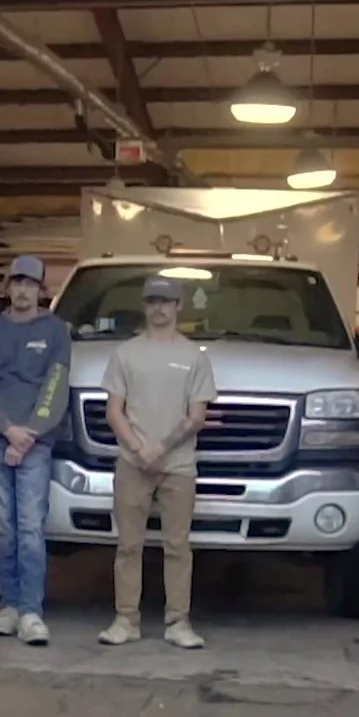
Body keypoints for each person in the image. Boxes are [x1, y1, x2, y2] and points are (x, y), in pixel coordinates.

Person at [97, 275, 215, 650]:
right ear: (144, 305)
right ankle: (125, 620)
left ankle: (178, 622)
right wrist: (138, 448)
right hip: (131, 464)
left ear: (179, 306)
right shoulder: (125, 354)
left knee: (177, 546)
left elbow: (197, 416)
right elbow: (113, 411)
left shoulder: (194, 357)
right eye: (152, 301)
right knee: (128, 546)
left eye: (165, 302)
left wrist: (160, 448)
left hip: (178, 466)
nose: (159, 308)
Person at [0, 253, 70, 645]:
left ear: (41, 290)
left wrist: (29, 434)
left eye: (31, 284)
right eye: (18, 283)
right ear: (7, 287)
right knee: (0, 528)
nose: (23, 290)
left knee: (29, 527)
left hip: (35, 444)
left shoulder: (56, 332)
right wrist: (8, 431)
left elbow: (55, 387)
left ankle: (31, 611)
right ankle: (9, 605)